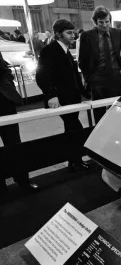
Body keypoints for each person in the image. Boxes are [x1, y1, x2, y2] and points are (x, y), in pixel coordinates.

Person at [36, 19, 89, 172]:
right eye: (69, 32)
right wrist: (51, 94)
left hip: (72, 98)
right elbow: (42, 76)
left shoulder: (64, 49)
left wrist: (85, 92)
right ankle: (75, 160)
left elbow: (73, 75)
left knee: (71, 129)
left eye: (73, 32)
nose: (73, 35)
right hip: (61, 99)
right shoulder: (49, 50)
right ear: (58, 34)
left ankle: (74, 161)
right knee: (74, 128)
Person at [78, 5, 121, 123]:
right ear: (95, 22)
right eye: (100, 22)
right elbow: (82, 59)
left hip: (115, 77)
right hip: (97, 79)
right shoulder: (87, 36)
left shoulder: (117, 33)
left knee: (117, 109)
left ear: (110, 21)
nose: (104, 25)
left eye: (107, 21)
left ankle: (116, 131)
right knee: (99, 112)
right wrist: (89, 78)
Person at [0, 51, 39, 196]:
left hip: (3, 100)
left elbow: (4, 68)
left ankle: (23, 180)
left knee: (14, 143)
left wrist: (7, 83)